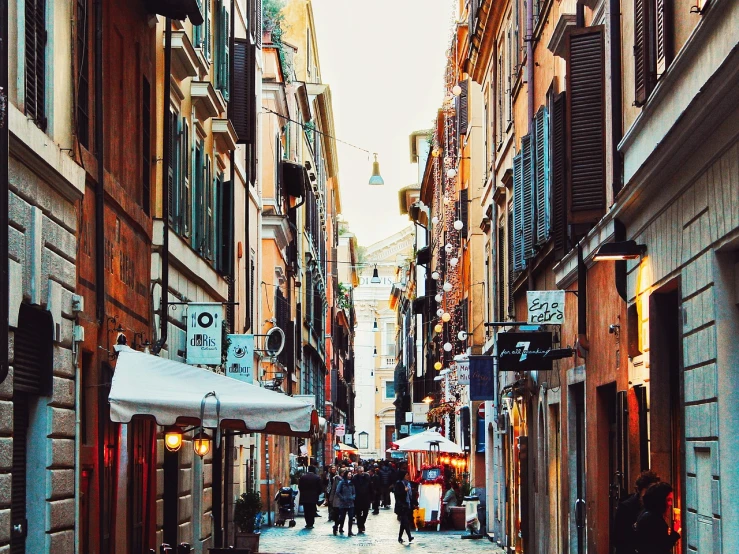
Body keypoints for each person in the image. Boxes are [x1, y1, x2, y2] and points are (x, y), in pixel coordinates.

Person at [613, 470, 660, 554]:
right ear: (639, 490)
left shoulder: (655, 506)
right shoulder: (626, 508)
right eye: (647, 493)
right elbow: (619, 539)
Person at [634, 482, 681, 554]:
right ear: (660, 500)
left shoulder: (648, 514)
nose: (670, 504)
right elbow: (662, 546)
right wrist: (675, 533)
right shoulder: (652, 518)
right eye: (668, 500)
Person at [334, 470, 357, 537]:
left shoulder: (352, 483)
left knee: (350, 518)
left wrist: (353, 497)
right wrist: (342, 498)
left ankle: (350, 531)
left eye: (351, 474)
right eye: (349, 474)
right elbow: (337, 492)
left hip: (350, 503)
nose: (350, 475)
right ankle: (336, 526)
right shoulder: (342, 482)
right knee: (342, 518)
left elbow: (354, 492)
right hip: (343, 503)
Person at [394, 471, 415, 544]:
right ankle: (409, 536)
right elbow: (397, 494)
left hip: (407, 504)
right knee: (405, 521)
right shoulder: (399, 483)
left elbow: (410, 496)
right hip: (401, 506)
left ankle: (400, 537)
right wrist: (404, 491)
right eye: (406, 475)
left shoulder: (408, 483)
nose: (408, 476)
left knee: (403, 523)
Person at [352, 465, 372, 534]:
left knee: (365, 513)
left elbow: (370, 486)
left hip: (366, 498)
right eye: (360, 471)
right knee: (358, 513)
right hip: (358, 498)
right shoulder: (354, 478)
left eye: (362, 471)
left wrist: (372, 497)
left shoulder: (367, 477)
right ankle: (359, 526)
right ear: (357, 472)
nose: (362, 472)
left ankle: (362, 524)